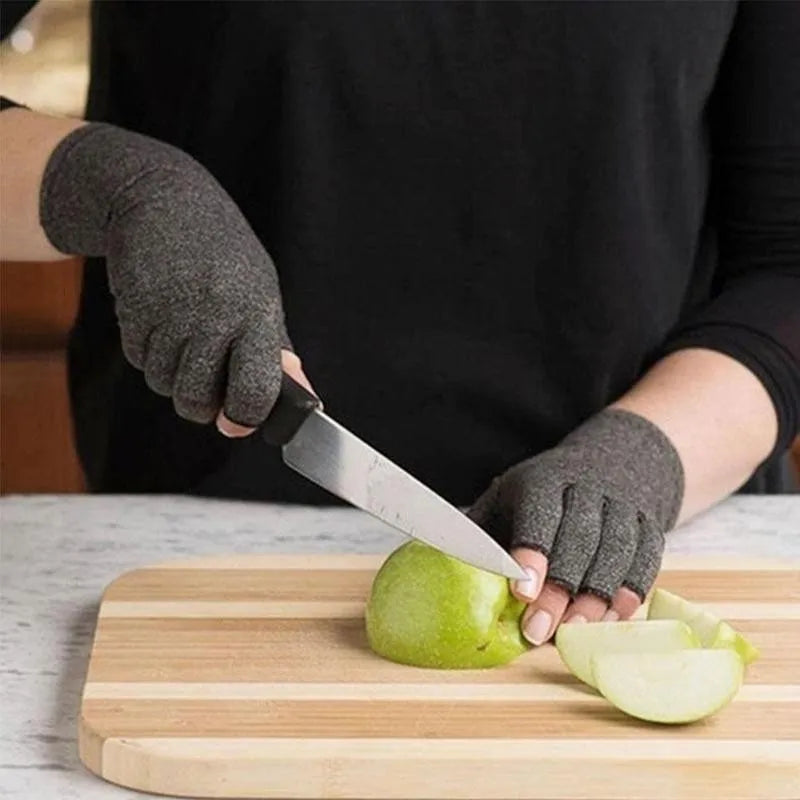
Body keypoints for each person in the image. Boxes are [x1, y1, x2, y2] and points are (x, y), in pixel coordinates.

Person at [1, 1, 797, 646]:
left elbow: (784, 266)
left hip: (634, 576)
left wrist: (641, 459)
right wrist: (120, 187)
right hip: (203, 572)